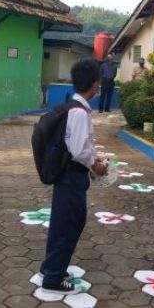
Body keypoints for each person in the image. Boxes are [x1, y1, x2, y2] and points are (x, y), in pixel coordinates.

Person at [40, 59, 107, 295]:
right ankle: (53, 278)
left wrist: (94, 156)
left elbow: (80, 144)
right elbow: (79, 150)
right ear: (96, 84)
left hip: (66, 175)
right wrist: (95, 165)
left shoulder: (71, 107)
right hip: (72, 175)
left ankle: (51, 266)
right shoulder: (79, 113)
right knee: (69, 224)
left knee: (62, 222)